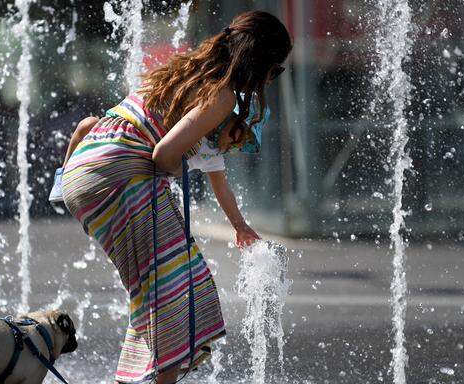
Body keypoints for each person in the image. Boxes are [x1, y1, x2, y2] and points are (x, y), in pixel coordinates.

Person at [54, 10, 292, 384]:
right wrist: (172, 171)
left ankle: (133, 378)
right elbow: (164, 154)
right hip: (119, 176)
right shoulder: (222, 94)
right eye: (274, 70)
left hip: (85, 170)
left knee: (160, 290)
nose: (270, 79)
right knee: (181, 292)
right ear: (258, 60)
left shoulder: (183, 71)